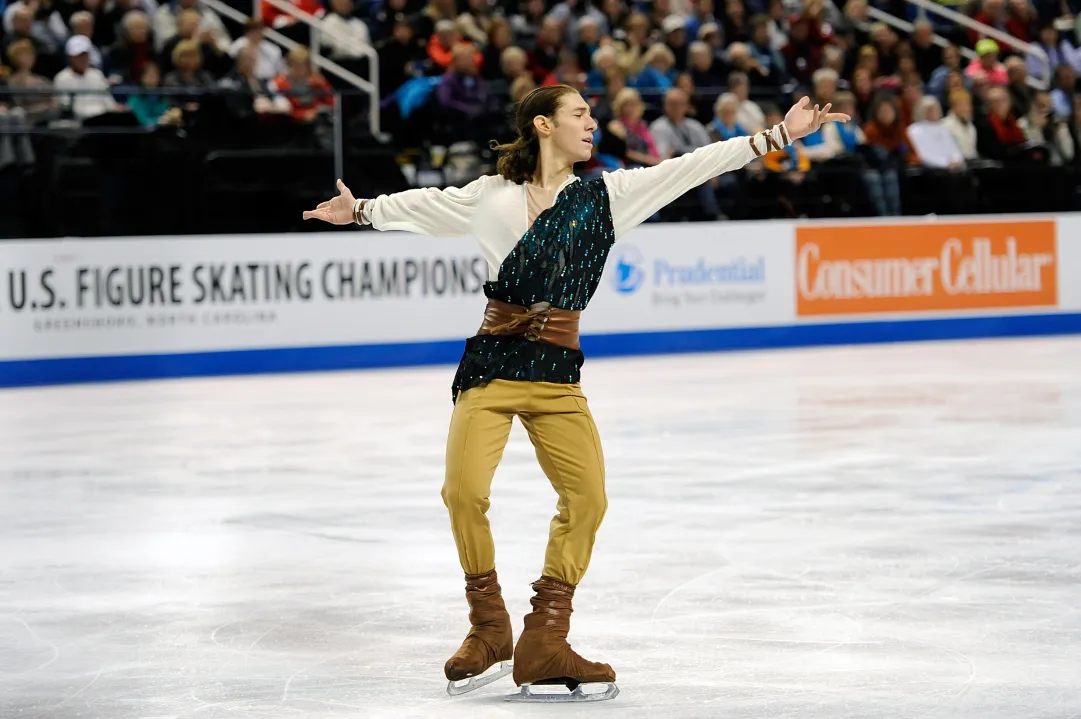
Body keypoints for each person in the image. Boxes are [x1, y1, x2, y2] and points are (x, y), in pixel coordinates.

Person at [302, 84, 848, 703]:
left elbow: (691, 167)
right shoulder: (489, 198)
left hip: (558, 376)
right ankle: (489, 628)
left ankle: (545, 637)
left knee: (587, 500)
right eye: (580, 114)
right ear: (542, 124)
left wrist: (777, 135)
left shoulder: (607, 196)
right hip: (491, 368)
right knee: (462, 492)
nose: (594, 123)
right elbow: (422, 205)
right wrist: (363, 211)